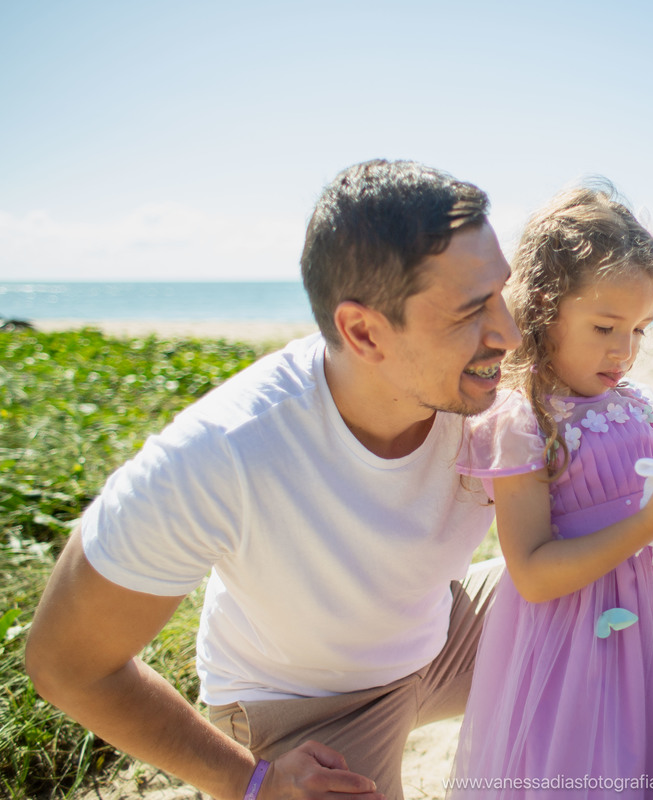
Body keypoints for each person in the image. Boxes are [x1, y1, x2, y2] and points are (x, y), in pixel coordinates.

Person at [25, 159, 525, 800]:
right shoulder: (224, 453)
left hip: (437, 633)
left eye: (501, 291)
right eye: (469, 311)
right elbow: (65, 664)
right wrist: (249, 781)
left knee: (627, 595)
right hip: (306, 705)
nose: (507, 333)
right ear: (364, 331)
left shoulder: (488, 394)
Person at [447, 184, 653, 798]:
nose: (625, 350)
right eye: (605, 326)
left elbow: (633, 486)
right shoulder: (522, 422)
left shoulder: (634, 403)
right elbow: (533, 573)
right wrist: (650, 525)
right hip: (577, 643)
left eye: (640, 330)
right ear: (544, 309)